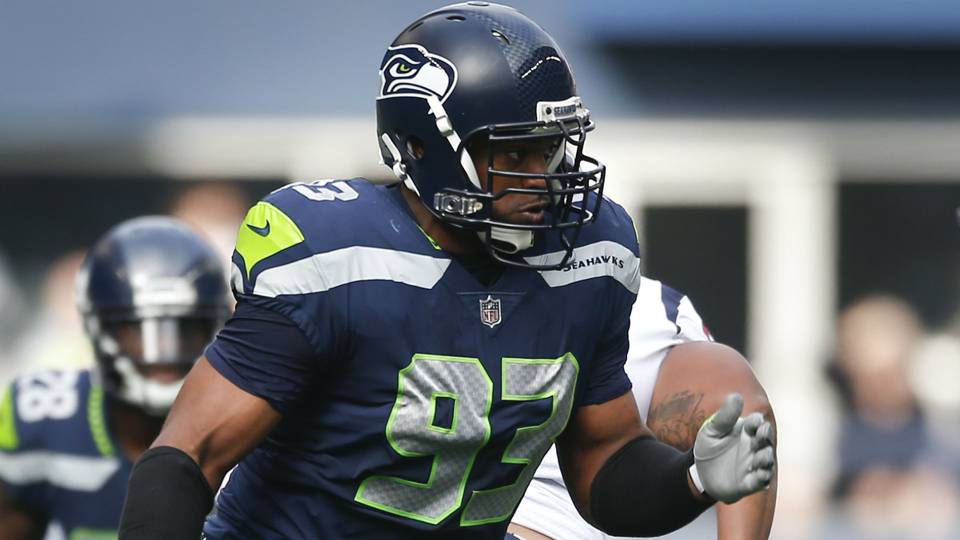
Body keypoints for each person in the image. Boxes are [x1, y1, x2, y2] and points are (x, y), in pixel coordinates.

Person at [119, 3, 775, 539]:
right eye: (514, 153)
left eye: (551, 149)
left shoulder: (590, 257)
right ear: (421, 146)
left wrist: (692, 480)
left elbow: (605, 464)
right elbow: (187, 457)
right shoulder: (333, 256)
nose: (543, 178)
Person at [0, 217, 230, 539]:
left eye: (186, 328)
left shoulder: (251, 422)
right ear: (99, 329)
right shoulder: (43, 417)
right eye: (139, 330)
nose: (165, 351)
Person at [509, 277, 777, 539]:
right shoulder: (642, 305)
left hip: (549, 517)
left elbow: (743, 418)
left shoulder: (645, 309)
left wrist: (696, 477)